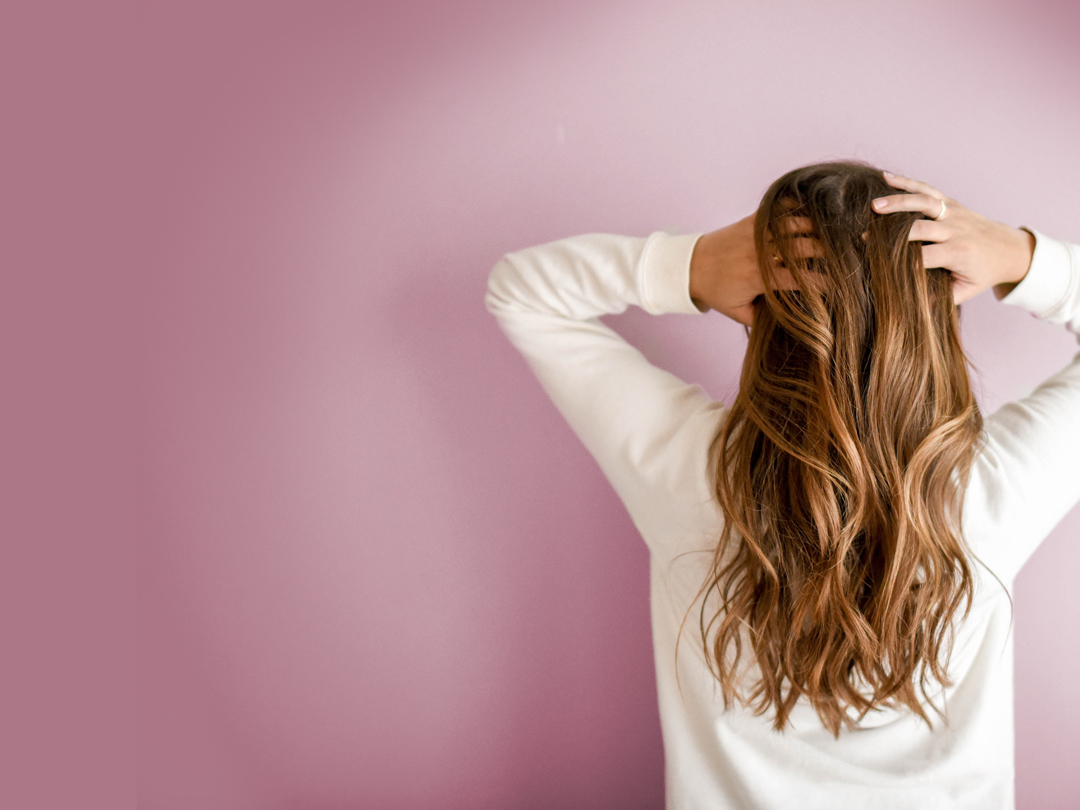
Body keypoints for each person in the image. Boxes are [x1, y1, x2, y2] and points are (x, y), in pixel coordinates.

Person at [485, 161, 1080, 809]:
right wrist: (1022, 259)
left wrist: (691, 265)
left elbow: (520, 291)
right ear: (933, 316)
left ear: (764, 309)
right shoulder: (990, 493)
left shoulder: (693, 473)